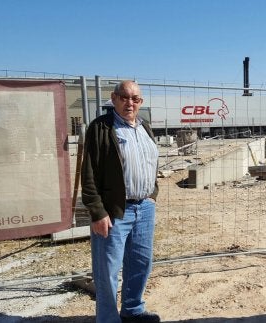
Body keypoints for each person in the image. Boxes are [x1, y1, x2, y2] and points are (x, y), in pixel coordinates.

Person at [82, 80, 160, 323]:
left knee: (140, 264)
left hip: (144, 207)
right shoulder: (101, 128)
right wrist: (97, 211)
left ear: (141, 102)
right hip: (114, 211)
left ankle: (133, 309)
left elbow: (150, 163)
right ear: (114, 98)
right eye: (125, 97)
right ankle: (107, 319)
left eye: (135, 98)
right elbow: (89, 172)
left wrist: (152, 193)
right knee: (107, 271)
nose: (130, 103)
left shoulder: (145, 127)